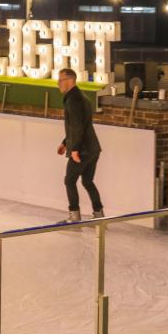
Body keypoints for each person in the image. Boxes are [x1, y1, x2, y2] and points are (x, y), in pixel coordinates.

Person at [55, 68, 104, 223]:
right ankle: (99, 214)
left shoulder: (72, 100)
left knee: (69, 181)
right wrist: (65, 142)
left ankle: (74, 216)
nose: (58, 83)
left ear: (70, 80)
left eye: (61, 80)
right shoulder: (81, 97)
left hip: (82, 150)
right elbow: (79, 125)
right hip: (93, 148)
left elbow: (76, 127)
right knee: (87, 181)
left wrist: (74, 149)